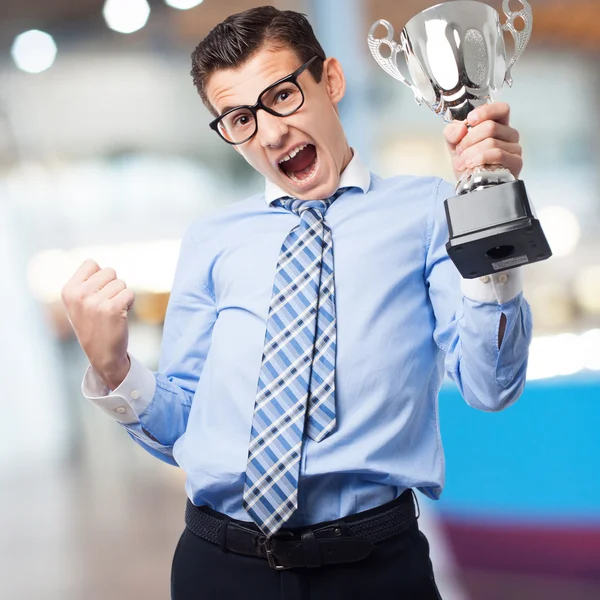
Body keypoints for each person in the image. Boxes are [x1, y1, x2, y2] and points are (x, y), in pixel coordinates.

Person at [61, 6, 531, 599]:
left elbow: (491, 388)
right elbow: (183, 422)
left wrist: (490, 214)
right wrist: (113, 369)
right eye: (239, 118)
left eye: (282, 96)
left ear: (329, 80)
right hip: (218, 567)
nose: (271, 133)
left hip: (374, 571)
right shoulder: (212, 239)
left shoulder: (432, 211)